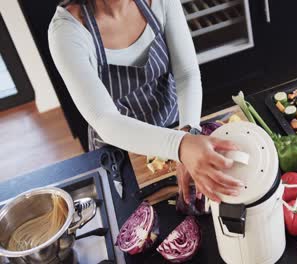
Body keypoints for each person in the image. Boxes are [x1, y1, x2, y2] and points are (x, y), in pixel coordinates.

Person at [48, 0, 244, 202]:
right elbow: (104, 119)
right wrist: (182, 145)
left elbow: (187, 74)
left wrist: (189, 132)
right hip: (120, 150)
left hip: (175, 125)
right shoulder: (67, 32)